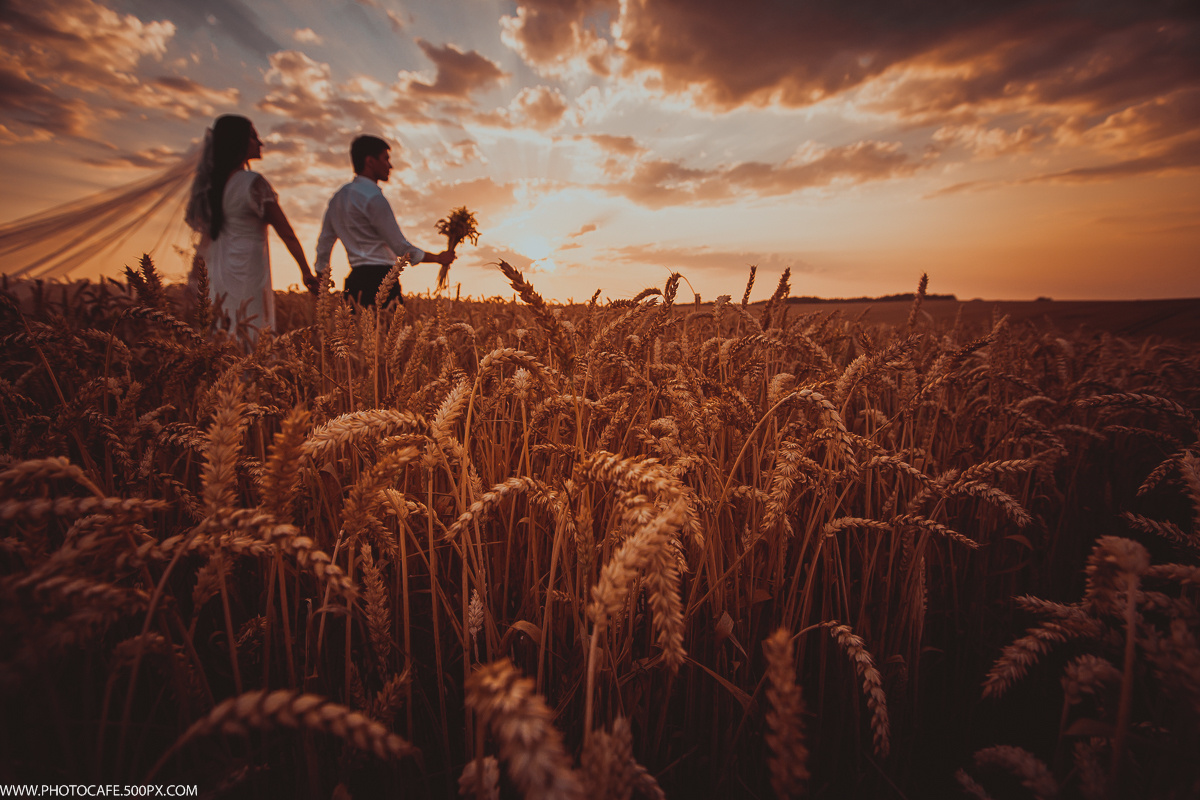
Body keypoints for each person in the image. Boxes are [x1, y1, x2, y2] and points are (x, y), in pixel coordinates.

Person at [184, 114, 317, 333]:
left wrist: (195, 278)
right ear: (239, 142)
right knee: (252, 332)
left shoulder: (213, 186)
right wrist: (306, 272)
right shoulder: (253, 183)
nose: (261, 143)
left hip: (217, 272)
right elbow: (286, 232)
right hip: (246, 272)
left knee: (223, 334)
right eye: (254, 137)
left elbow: (206, 239)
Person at [314, 135, 454, 307]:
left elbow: (325, 241)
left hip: (354, 281)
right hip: (381, 281)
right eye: (386, 159)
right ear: (370, 161)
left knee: (355, 333)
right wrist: (438, 258)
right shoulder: (374, 198)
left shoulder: (337, 198)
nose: (390, 165)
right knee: (387, 331)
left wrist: (321, 274)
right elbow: (400, 246)